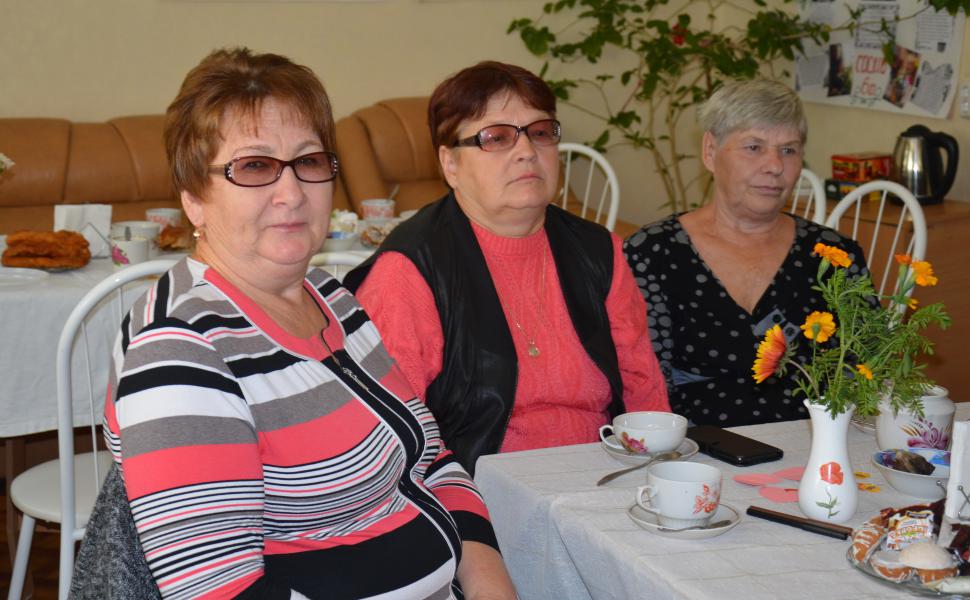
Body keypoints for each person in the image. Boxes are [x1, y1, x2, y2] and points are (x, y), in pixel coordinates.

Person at [99, 48, 515, 599]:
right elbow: (224, 592)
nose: (292, 193)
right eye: (254, 166)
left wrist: (492, 585)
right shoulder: (179, 350)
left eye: (309, 161)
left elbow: (430, 461)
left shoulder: (328, 296)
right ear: (194, 198)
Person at [344, 61, 669, 474]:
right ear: (450, 164)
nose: (527, 151)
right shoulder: (408, 271)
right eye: (496, 137)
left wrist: (656, 477)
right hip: (474, 488)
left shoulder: (601, 251)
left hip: (604, 476)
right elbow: (393, 435)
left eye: (541, 132)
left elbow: (643, 389)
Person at [624, 78, 869, 428]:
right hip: (693, 447)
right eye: (754, 147)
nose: (774, 165)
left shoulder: (834, 256)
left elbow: (865, 373)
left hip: (814, 444)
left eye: (789, 150)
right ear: (710, 152)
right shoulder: (652, 253)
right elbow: (643, 386)